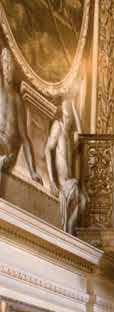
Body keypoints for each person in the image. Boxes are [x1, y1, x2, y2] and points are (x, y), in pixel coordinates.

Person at [0, 46, 40, 183]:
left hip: (7, 151)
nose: (9, 67)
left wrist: (33, 172)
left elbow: (25, 138)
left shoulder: (17, 100)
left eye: (11, 65)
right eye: (6, 63)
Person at [45, 96, 83, 234]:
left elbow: (81, 134)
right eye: (66, 117)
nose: (68, 121)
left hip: (69, 182)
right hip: (63, 183)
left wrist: (73, 107)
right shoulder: (58, 127)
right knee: (83, 200)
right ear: (62, 116)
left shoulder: (70, 137)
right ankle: (69, 228)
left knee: (84, 201)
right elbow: (47, 149)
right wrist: (51, 181)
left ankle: (70, 227)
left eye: (70, 118)